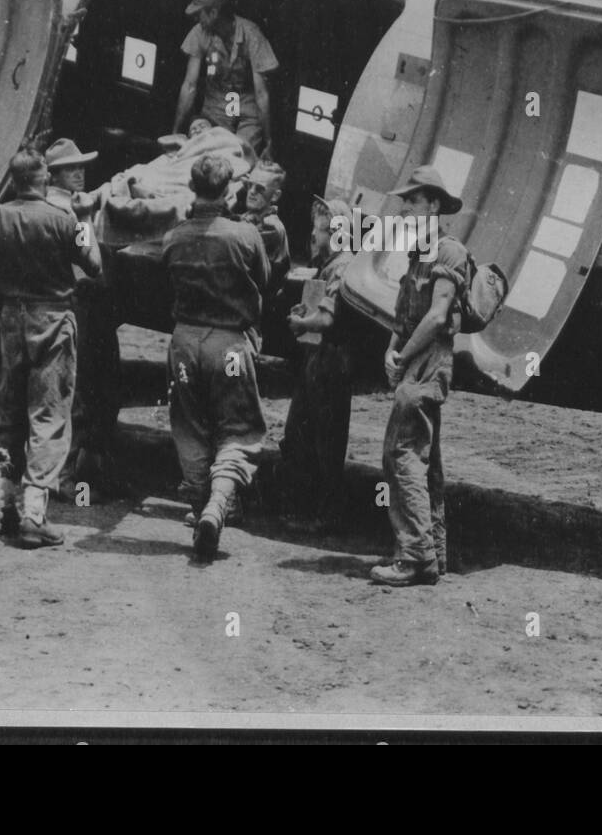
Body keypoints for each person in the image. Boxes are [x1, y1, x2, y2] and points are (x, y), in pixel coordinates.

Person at [0, 149, 102, 548]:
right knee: (49, 414)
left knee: (7, 411)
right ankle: (34, 514)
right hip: (52, 320)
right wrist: (86, 217)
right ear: (44, 178)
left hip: (9, 320)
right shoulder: (63, 219)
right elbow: (94, 264)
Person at [161, 154, 270, 560]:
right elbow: (265, 280)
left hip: (185, 341)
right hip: (229, 343)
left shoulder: (174, 237)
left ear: (193, 189)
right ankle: (219, 503)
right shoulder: (245, 236)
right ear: (228, 190)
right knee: (237, 428)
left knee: (189, 426)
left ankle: (198, 505)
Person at [372, 165, 468, 588]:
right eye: (404, 201)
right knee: (424, 461)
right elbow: (404, 316)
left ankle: (415, 557)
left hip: (429, 363)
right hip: (414, 361)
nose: (406, 207)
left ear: (433, 204)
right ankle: (433, 553)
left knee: (402, 454)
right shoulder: (418, 255)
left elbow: (436, 316)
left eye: (412, 201)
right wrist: (390, 351)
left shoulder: (449, 252)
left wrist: (403, 354)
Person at [44, 139, 123, 503]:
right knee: (75, 387)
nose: (80, 171)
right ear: (54, 174)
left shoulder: (70, 203)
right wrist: (88, 217)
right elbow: (90, 261)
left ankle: (86, 469)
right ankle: (65, 474)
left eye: (81, 165)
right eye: (72, 167)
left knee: (93, 385)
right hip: (76, 301)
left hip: (87, 303)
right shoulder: (64, 210)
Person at [278, 196, 356, 523]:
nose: (314, 236)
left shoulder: (342, 267)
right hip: (319, 360)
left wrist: (302, 323)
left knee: (323, 439)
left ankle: (325, 514)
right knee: (304, 433)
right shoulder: (331, 264)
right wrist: (304, 313)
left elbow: (326, 321)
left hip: (329, 362)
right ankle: (306, 506)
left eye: (321, 230)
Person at [174, 0, 278, 155]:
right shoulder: (200, 32)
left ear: (213, 13)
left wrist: (269, 141)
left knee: (240, 156)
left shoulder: (251, 34)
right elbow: (189, 85)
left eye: (200, 14)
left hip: (247, 106)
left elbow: (261, 93)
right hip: (215, 104)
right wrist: (176, 132)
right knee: (205, 153)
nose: (197, 19)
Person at [235, 159, 291, 299]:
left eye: (260, 189)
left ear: (275, 196)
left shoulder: (270, 227)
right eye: (249, 185)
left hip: (256, 303)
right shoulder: (251, 215)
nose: (251, 192)